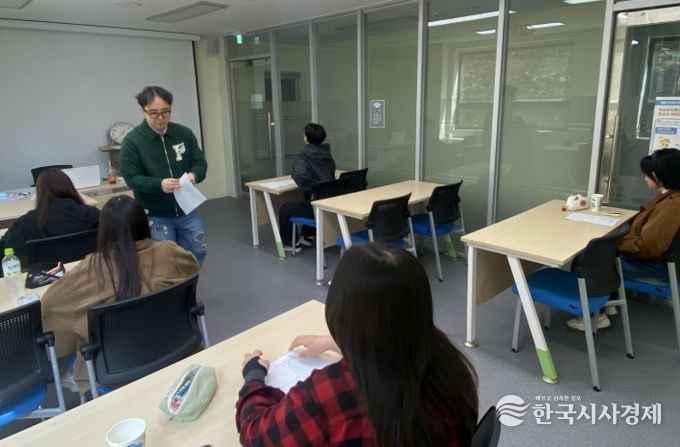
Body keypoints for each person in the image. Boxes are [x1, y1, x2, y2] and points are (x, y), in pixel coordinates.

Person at [236, 244, 479, 446]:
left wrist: (253, 375)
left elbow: (256, 435)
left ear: (340, 311)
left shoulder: (331, 393)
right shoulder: (448, 362)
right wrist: (334, 343)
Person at [41, 195, 200, 393]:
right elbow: (193, 268)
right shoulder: (171, 253)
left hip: (115, 370)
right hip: (176, 349)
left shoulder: (91, 269)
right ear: (144, 223)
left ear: (104, 230)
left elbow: (49, 303)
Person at [568, 148, 680, 331]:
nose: (645, 178)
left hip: (658, 269)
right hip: (661, 262)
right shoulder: (671, 197)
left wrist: (616, 242)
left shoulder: (670, 208)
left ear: (663, 175)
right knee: (600, 253)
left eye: (649, 174)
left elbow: (646, 248)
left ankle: (595, 316)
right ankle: (608, 301)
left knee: (586, 261)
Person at [121, 85, 208, 265]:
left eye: (165, 112)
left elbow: (200, 163)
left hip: (188, 209)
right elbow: (132, 178)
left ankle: (190, 282)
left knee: (197, 251)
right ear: (142, 111)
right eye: (154, 113)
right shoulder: (133, 141)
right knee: (166, 261)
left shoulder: (183, 133)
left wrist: (194, 175)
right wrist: (159, 185)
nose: (160, 118)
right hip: (156, 214)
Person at [0, 168, 99, 259]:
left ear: (40, 192)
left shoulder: (26, 223)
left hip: (46, 272)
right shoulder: (94, 215)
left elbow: (5, 247)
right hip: (89, 269)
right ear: (70, 187)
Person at [278, 122, 335, 252]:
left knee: (285, 209)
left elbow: (300, 175)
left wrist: (313, 188)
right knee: (307, 200)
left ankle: (289, 244)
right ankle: (307, 236)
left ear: (306, 138)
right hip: (328, 203)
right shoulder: (327, 155)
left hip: (315, 206)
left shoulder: (302, 157)